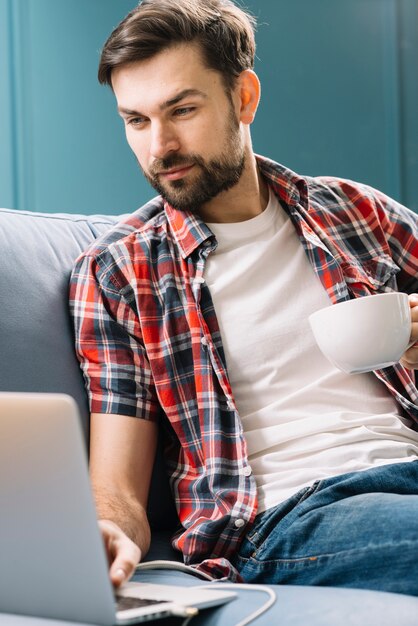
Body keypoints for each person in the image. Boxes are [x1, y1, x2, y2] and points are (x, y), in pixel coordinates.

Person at [69, 0, 418, 595]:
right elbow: (118, 484)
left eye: (182, 110)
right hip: (293, 514)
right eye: (137, 121)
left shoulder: (356, 213)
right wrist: (108, 533)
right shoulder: (120, 271)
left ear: (244, 98)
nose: (160, 147)